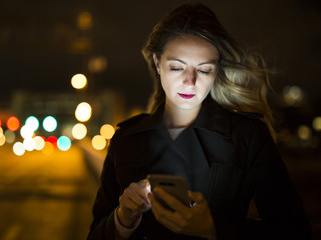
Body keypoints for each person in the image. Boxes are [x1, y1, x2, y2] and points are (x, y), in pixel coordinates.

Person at [87, 3, 311, 240]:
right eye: (177, 67)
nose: (190, 81)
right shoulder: (125, 139)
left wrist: (214, 229)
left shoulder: (248, 137)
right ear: (157, 63)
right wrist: (122, 220)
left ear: (216, 71)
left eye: (203, 70)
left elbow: (295, 232)